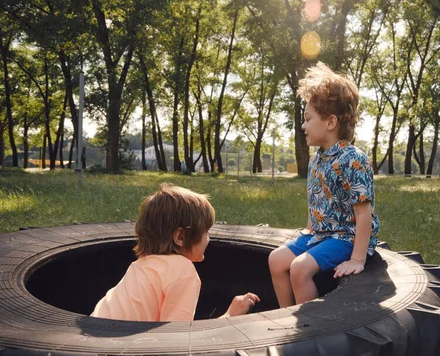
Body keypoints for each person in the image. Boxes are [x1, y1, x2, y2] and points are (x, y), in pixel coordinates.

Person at [268, 62, 380, 308]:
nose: (303, 126)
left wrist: (357, 259)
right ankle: (287, 316)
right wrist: (309, 229)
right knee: (276, 260)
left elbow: (363, 214)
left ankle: (312, 329)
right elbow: (319, 199)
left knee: (299, 268)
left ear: (330, 122)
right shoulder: (317, 158)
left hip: (346, 237)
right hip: (321, 234)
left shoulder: (353, 158)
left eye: (308, 119)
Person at [91, 183, 259, 321]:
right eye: (206, 232)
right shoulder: (183, 271)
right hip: (116, 351)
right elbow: (176, 339)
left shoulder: (143, 264)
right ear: (180, 237)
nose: (208, 239)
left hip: (95, 329)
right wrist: (229, 316)